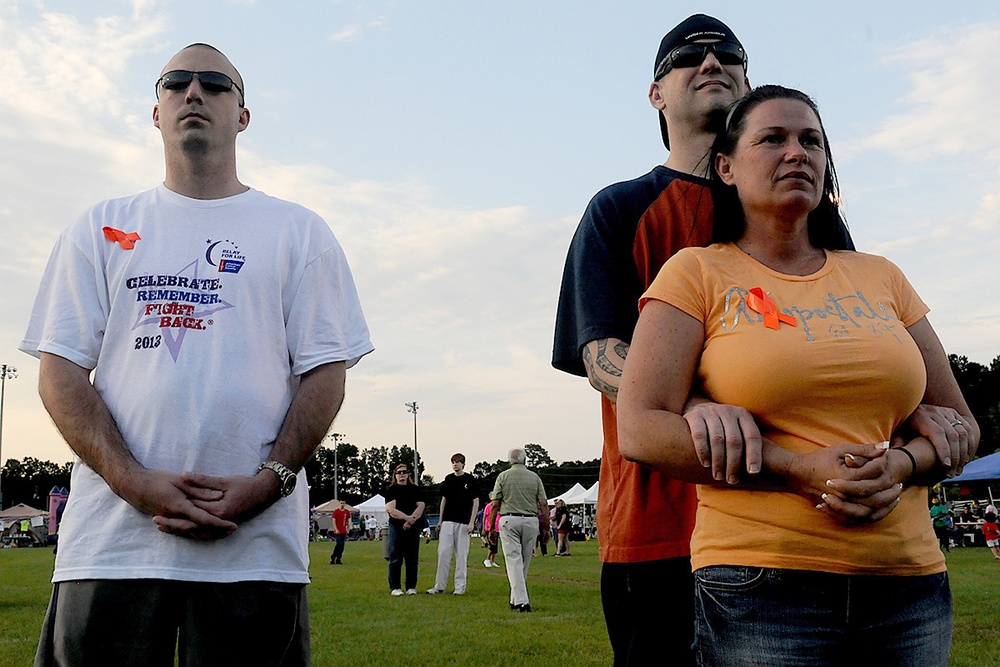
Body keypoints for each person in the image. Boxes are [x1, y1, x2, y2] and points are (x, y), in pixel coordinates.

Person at [19, 43, 373, 667]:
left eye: (215, 83)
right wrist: (133, 483)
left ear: (242, 114)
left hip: (254, 549)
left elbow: (325, 374)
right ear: (155, 111)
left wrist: (270, 483)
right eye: (175, 81)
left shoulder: (298, 232)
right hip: (112, 548)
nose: (194, 92)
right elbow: (60, 372)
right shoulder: (100, 227)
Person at [616, 84, 980, 666]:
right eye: (773, 139)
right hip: (761, 583)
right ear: (727, 167)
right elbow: (640, 429)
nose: (798, 153)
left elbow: (960, 422)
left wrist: (904, 464)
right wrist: (799, 471)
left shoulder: (880, 275)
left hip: (907, 582)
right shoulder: (696, 273)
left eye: (812, 140)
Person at [552, 14, 758, 664]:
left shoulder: (794, 210)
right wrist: (691, 407)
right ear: (656, 94)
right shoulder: (618, 209)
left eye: (727, 53)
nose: (710, 62)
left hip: (790, 522)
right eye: (686, 58)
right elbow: (600, 355)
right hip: (661, 531)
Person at [490, 448, 549, 612]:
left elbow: (495, 504)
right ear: (525, 460)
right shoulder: (534, 477)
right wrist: (546, 528)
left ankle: (522, 601)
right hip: (530, 521)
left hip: (509, 519)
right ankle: (515, 599)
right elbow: (543, 504)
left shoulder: (503, 476)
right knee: (523, 561)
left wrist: (491, 528)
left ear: (509, 461)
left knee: (513, 560)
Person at [428, 453, 479, 595]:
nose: (455, 464)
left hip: (463, 523)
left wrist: (471, 522)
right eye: (453, 462)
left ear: (463, 464)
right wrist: (440, 520)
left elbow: (475, 502)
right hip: (448, 522)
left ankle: (460, 587)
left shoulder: (470, 480)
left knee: (461, 555)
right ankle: (439, 586)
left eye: (457, 462)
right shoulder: (448, 479)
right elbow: (443, 501)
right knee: (443, 553)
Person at [384, 464, 425, 596]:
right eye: (399, 472)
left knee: (412, 558)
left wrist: (412, 519)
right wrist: (406, 518)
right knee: (396, 557)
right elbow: (391, 509)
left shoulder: (415, 489)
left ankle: (411, 587)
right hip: (396, 527)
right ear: (395, 475)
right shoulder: (392, 490)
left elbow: (421, 505)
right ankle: (395, 587)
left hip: (413, 527)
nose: (402, 475)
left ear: (408, 474)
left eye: (404, 472)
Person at [330, 500, 353, 565]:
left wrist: (348, 528)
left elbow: (348, 521)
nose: (342, 504)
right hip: (338, 531)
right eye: (341, 503)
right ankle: (333, 557)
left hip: (343, 531)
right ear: (339, 504)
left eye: (343, 503)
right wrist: (336, 529)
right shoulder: (336, 511)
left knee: (342, 546)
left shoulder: (347, 512)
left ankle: (338, 559)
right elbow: (334, 521)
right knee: (339, 544)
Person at [482, 499, 501, 568]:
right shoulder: (488, 506)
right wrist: (484, 527)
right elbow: (485, 516)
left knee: (495, 546)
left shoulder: (499, 506)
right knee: (492, 545)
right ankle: (487, 559)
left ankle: (492, 560)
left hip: (497, 528)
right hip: (489, 528)